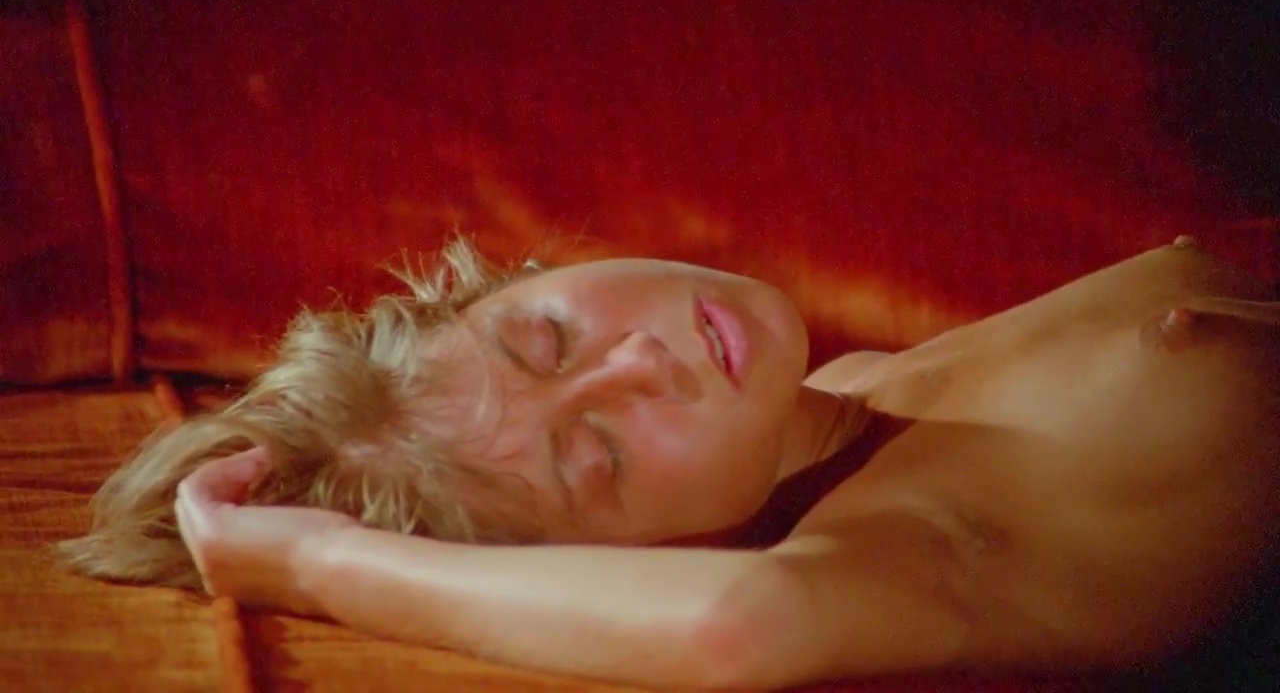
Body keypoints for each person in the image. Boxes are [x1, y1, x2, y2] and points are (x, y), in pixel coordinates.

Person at [59, 235, 1279, 689]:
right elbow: (741, 627)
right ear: (639, 557)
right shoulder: (913, 533)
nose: (638, 362)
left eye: (547, 338)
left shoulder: (854, 395)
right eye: (595, 456)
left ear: (518, 275)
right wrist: (314, 565)